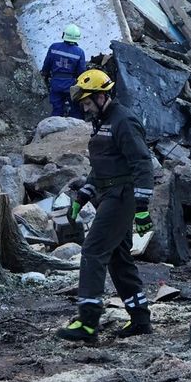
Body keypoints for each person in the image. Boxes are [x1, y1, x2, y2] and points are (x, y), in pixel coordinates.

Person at [56, 69, 154, 342]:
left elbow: (142, 164)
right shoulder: (102, 121)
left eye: (87, 102)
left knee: (93, 250)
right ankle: (140, 318)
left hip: (121, 197)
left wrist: (143, 206)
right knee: (118, 257)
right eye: (83, 104)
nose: (85, 108)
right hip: (108, 194)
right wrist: (83, 197)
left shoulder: (124, 121)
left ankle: (88, 323)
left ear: (102, 96)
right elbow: (101, 167)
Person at [41, 24, 87, 118]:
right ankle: (76, 129)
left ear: (64, 35)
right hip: (71, 84)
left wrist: (44, 75)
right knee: (75, 108)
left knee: (57, 108)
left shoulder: (54, 47)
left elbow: (47, 64)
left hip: (56, 83)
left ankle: (55, 129)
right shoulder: (80, 52)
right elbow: (81, 72)